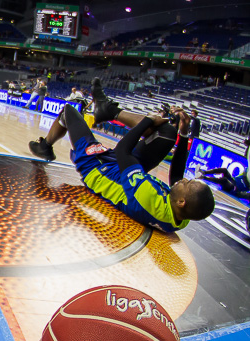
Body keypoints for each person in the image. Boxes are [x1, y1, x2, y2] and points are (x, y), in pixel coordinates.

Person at [28, 79, 214, 233]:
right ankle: (106, 110)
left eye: (188, 184)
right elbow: (176, 177)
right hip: (124, 174)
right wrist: (182, 135)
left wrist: (149, 120)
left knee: (69, 112)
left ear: (182, 202)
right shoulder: (182, 216)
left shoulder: (147, 195)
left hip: (98, 170)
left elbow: (123, 150)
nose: (184, 181)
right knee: (166, 133)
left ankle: (46, 146)